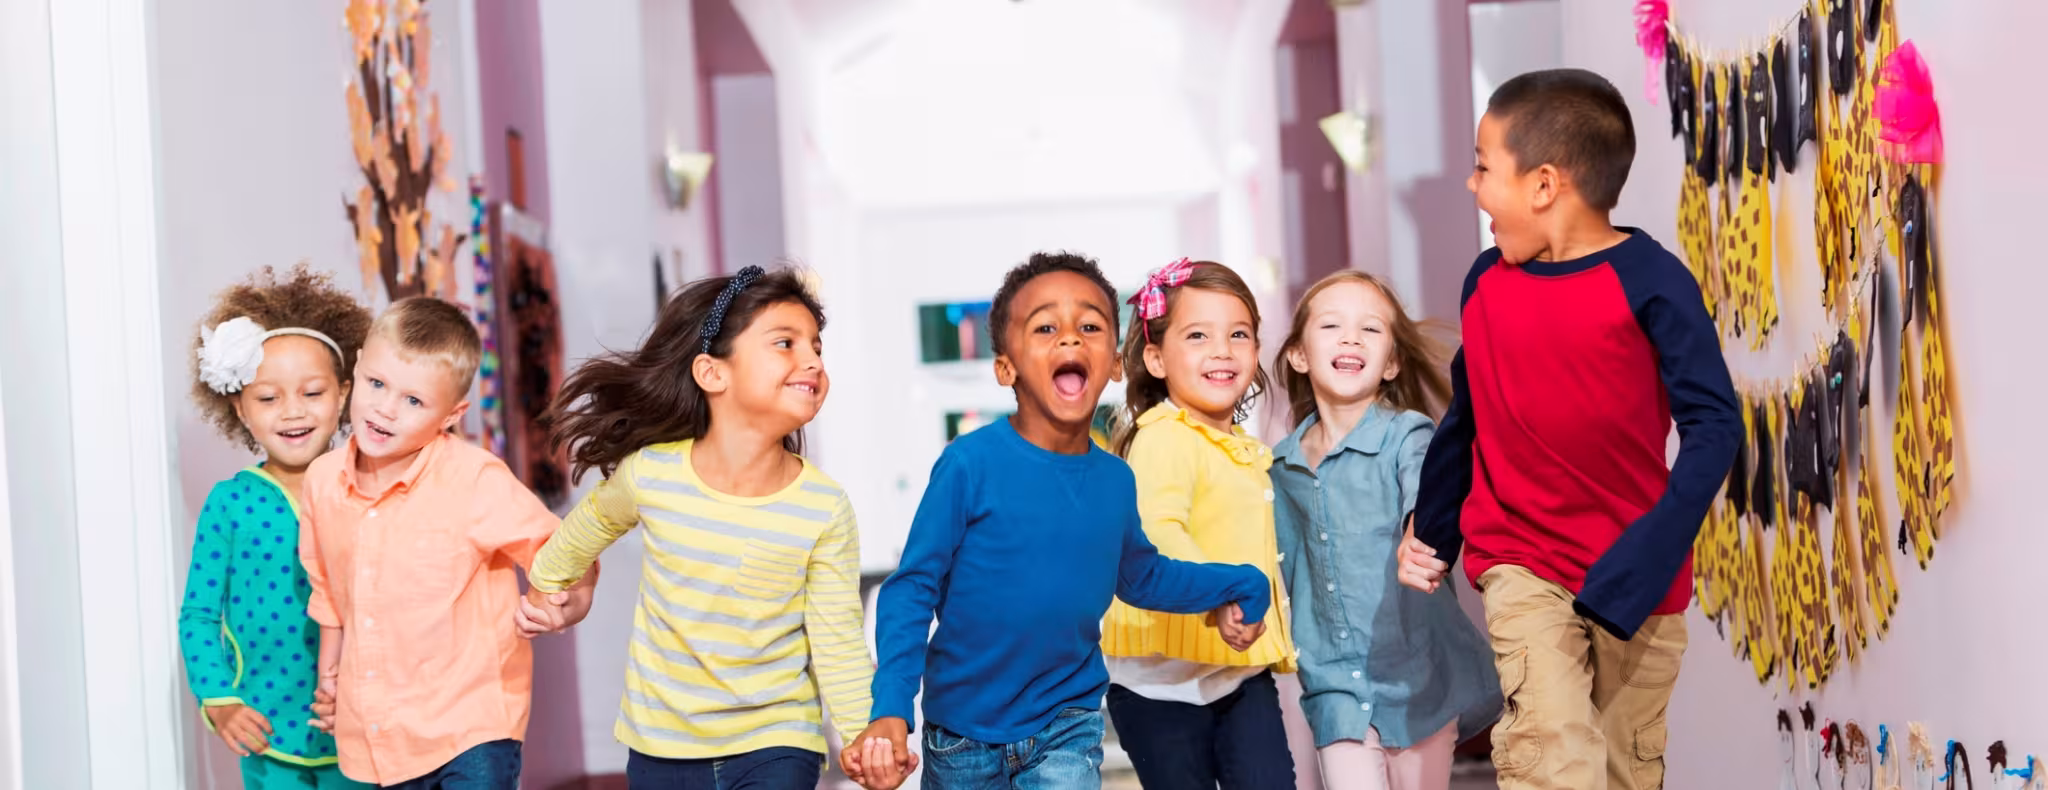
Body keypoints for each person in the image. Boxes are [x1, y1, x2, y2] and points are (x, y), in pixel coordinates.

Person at [1399, 68, 1742, 790]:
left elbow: (1714, 425)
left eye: (1483, 167)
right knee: (1553, 756)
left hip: (1639, 579)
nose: (1471, 185)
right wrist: (1430, 529)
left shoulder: (1653, 282)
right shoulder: (1487, 282)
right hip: (1522, 561)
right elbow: (1468, 415)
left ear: (1544, 185)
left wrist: (1653, 547)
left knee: (1623, 772)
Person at [851, 251, 1275, 789]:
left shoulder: (1115, 480)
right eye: (1046, 327)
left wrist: (1241, 581)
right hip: (961, 733)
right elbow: (912, 588)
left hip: (1066, 723)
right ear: (1005, 367)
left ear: (1115, 364)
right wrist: (891, 707)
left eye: (1090, 326)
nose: (1070, 338)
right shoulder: (969, 465)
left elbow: (1143, 577)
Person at [526, 266, 905, 790]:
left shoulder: (823, 507)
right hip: (661, 745)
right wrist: (548, 585)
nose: (813, 361)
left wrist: (864, 736)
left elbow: (836, 638)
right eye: (786, 343)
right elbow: (584, 528)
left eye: (817, 348)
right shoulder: (652, 475)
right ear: (711, 373)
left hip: (777, 740)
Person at [300, 297, 597, 789]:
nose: (385, 409)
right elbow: (327, 590)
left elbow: (561, 549)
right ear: (358, 367)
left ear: (452, 414)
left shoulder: (474, 479)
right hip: (384, 733)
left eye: (413, 401)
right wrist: (329, 678)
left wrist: (570, 606)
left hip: (473, 725)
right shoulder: (322, 481)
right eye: (377, 384)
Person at [1269, 270, 1501, 790]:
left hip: (1417, 680)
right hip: (1333, 684)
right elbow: (1276, 563)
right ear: (1299, 355)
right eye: (1332, 326)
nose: (1351, 338)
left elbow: (1428, 495)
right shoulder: (1279, 468)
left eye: (1370, 329)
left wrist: (1420, 533)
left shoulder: (1408, 435)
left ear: (1391, 363)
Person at [1098, 259, 1297, 789]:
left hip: (1236, 673)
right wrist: (1224, 595)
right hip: (1156, 685)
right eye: (1198, 336)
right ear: (1156, 358)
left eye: (1239, 334)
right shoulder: (1163, 436)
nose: (1222, 350)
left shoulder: (1242, 449)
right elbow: (1161, 536)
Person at [179, 265, 375, 790]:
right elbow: (199, 614)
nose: (292, 412)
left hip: (365, 725)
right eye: (268, 398)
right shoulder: (230, 503)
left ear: (343, 395)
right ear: (241, 409)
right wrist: (218, 698)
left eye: (312, 393)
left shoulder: (373, 489)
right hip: (266, 729)